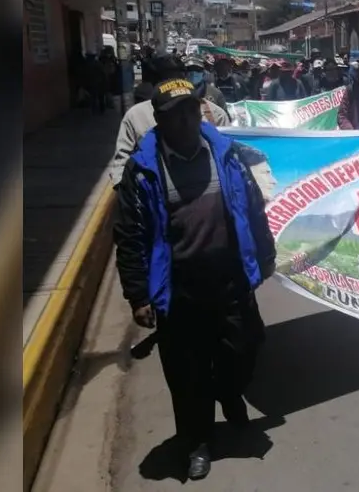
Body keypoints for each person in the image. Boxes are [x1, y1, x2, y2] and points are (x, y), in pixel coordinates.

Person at [113, 77, 277, 480]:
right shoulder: (143, 171)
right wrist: (138, 295)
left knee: (245, 348)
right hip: (179, 289)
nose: (187, 121)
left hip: (230, 278)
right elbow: (130, 236)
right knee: (188, 374)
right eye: (176, 115)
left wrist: (265, 254)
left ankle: (229, 391)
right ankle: (197, 441)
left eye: (191, 111)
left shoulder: (226, 154)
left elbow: (252, 206)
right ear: (160, 120)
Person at [110, 57, 230, 187]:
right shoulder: (135, 116)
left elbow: (229, 157)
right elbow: (121, 165)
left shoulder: (214, 113)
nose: (186, 121)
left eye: (192, 111)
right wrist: (130, 193)